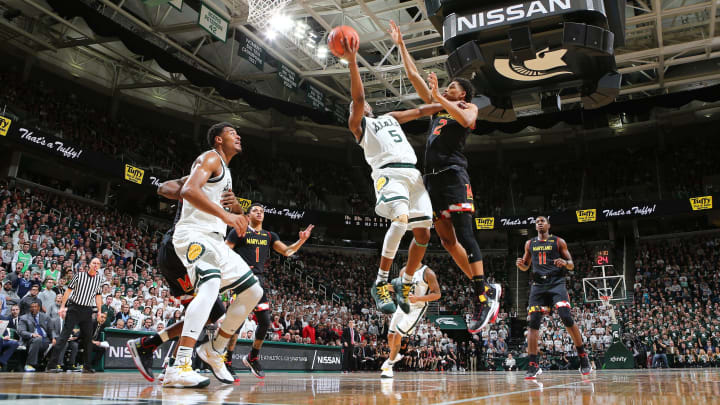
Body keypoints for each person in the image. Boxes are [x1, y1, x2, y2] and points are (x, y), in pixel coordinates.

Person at [389, 21, 501, 333]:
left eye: (453, 86)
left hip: (453, 174)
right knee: (448, 242)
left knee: (466, 234)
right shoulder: (439, 107)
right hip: (432, 180)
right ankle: (487, 288)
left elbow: (465, 119)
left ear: (463, 91)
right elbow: (413, 76)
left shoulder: (468, 106)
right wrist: (401, 45)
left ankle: (481, 297)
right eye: (447, 87)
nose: (448, 89)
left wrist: (442, 96)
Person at [343, 34, 439, 316]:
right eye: (354, 107)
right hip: (389, 175)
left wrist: (447, 105)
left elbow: (421, 110)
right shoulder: (358, 127)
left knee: (423, 234)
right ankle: (380, 282)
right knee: (400, 219)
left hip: (413, 176)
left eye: (360, 106)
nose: (357, 106)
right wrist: (352, 62)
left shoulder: (390, 117)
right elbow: (358, 96)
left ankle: (404, 283)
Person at [165, 123, 262, 388]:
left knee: (254, 292)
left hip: (215, 239)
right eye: (232, 133)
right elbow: (187, 191)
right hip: (194, 234)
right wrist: (227, 215)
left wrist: (236, 212)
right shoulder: (209, 157)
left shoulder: (226, 171)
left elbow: (220, 203)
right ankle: (179, 366)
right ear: (219, 140)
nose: (238, 136)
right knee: (209, 289)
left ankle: (214, 348)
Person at [126, 175, 242, 383]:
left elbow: (242, 220)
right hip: (180, 252)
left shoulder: (224, 193)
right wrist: (191, 191)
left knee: (206, 314)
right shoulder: (196, 179)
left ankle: (154, 351)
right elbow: (163, 187)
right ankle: (172, 363)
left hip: (198, 255)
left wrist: (236, 206)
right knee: (206, 311)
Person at [225, 203, 314, 378]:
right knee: (237, 323)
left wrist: (301, 240)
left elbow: (288, 251)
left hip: (258, 281)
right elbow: (225, 250)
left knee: (265, 322)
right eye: (255, 211)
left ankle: (252, 357)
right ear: (248, 216)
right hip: (242, 279)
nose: (259, 213)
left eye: (261, 211)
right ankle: (227, 361)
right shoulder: (239, 231)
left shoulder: (269, 235)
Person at [516, 216, 591, 379]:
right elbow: (525, 266)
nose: (540, 223)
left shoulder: (558, 242)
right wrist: (521, 265)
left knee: (565, 316)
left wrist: (564, 262)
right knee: (533, 322)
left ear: (548, 225)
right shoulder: (529, 243)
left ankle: (583, 357)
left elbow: (571, 265)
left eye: (542, 221)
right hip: (538, 285)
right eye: (537, 222)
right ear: (535, 226)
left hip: (556, 283)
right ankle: (533, 364)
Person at [46, 257, 105, 373]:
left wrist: (99, 311)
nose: (96, 265)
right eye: (94, 263)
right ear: (89, 264)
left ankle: (87, 366)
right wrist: (63, 307)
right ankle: (51, 365)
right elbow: (68, 291)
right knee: (64, 336)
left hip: (87, 309)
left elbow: (98, 296)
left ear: (99, 266)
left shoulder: (99, 279)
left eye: (98, 263)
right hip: (74, 308)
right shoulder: (79, 275)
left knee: (88, 338)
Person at [381, 265, 441, 378]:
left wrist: (418, 298)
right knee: (390, 335)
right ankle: (395, 356)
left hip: (417, 308)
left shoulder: (428, 273)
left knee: (398, 334)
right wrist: (385, 286)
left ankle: (389, 365)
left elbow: (437, 294)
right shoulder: (403, 270)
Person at [17, 301, 54, 372]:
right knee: (38, 339)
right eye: (32, 307)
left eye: (35, 307)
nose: (33, 308)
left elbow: (51, 329)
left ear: (39, 308)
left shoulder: (45, 316)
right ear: (29, 308)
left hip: (45, 339)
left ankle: (53, 365)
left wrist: (54, 338)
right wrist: (32, 334)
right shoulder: (24, 318)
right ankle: (30, 364)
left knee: (59, 342)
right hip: (30, 340)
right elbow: (21, 331)